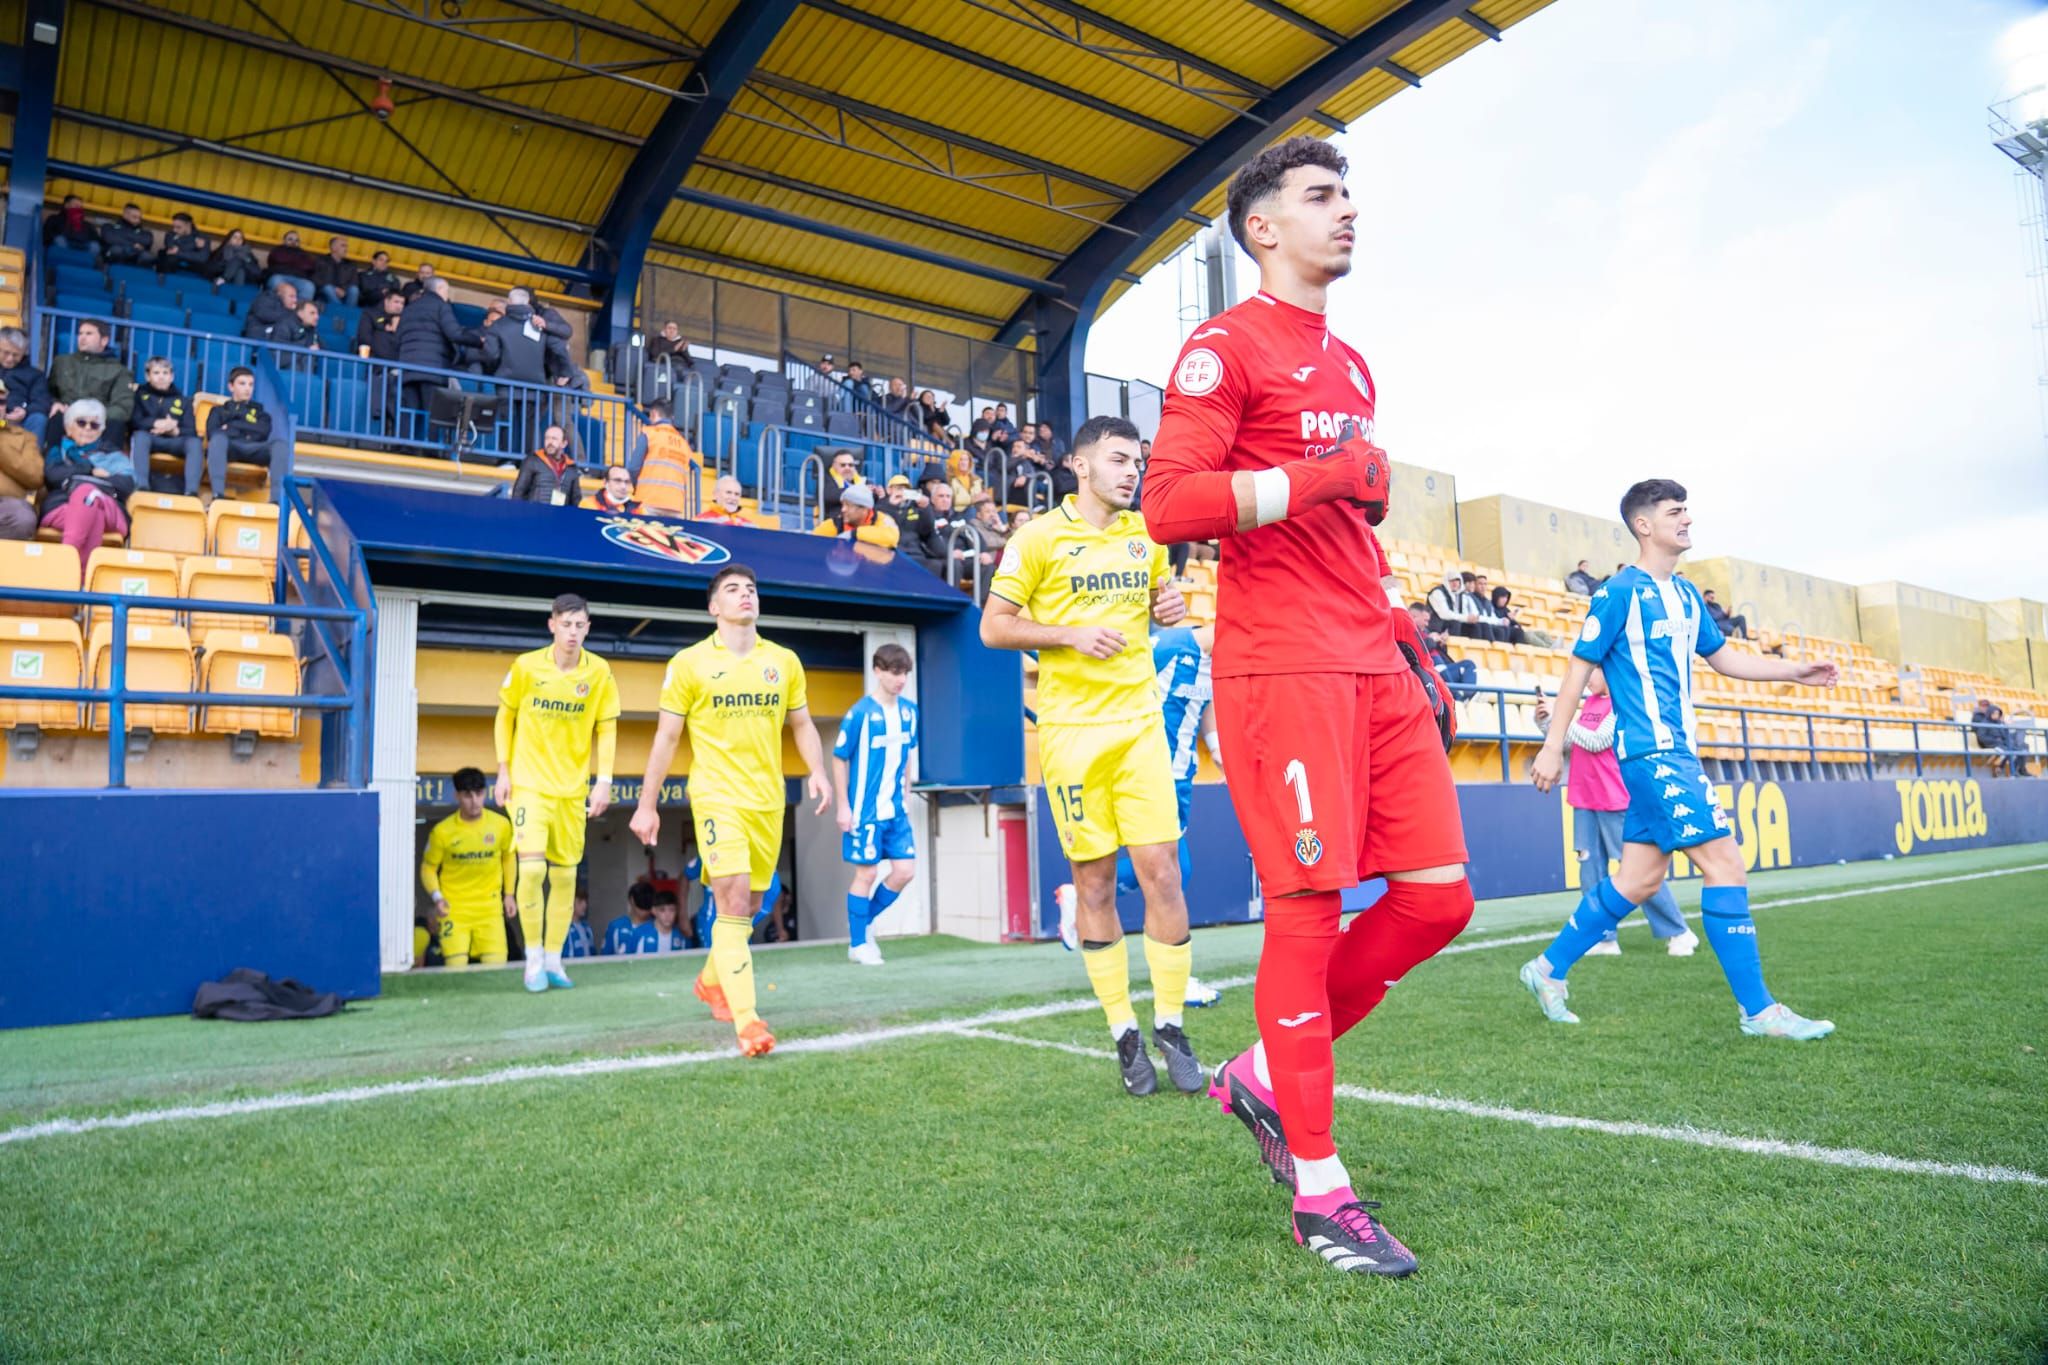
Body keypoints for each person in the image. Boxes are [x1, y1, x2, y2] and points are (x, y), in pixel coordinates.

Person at [1141, 137, 1474, 1276]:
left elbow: (1341, 522)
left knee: (1438, 902)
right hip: (1279, 666)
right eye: (1320, 198)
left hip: (1371, 658)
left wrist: (1398, 626)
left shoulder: (1352, 364)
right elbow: (1169, 505)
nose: (1347, 214)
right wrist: (1315, 479)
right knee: (1306, 911)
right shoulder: (1219, 348)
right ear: (1260, 227)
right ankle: (1320, 1192)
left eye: (1348, 197)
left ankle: (1261, 1072)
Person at [1525, 478, 1838, 1040]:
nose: (1687, 520)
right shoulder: (1619, 592)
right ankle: (1759, 1012)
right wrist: (1553, 747)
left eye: (1687, 511)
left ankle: (1547, 970)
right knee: (1726, 865)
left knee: (1639, 880)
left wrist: (1795, 671)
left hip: (1674, 751)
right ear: (1644, 525)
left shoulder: (1688, 594)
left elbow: (1723, 659)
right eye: (1675, 512)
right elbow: (1578, 669)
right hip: (1652, 753)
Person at [981, 415, 1205, 1098]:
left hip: (1139, 728)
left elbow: (1161, 604)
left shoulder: (1148, 535)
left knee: (1164, 873)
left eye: (1136, 460)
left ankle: (1170, 1023)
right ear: (1079, 466)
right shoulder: (1037, 538)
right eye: (1117, 459)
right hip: (1073, 736)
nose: (1131, 470)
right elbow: (994, 626)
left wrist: (1168, 602)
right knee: (1096, 886)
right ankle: (1124, 1032)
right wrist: (1070, 634)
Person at [629, 565, 832, 1058]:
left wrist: (819, 772)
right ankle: (748, 1022)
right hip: (717, 796)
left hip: (769, 799)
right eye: (733, 590)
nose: (746, 596)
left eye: (752, 589)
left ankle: (709, 981)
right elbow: (667, 737)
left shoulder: (783, 661)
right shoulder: (690, 663)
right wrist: (646, 803)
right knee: (732, 900)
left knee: (753, 903)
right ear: (713, 607)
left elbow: (802, 724)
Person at [494, 593, 621, 993]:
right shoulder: (526, 666)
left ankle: (554, 960)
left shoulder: (599, 672)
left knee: (566, 878)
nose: (572, 632)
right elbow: (505, 714)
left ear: (588, 628)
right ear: (552, 625)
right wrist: (503, 770)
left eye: (579, 625)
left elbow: (608, 726)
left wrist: (605, 780)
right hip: (530, 785)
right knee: (531, 870)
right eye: (565, 624)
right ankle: (532, 959)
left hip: (572, 790)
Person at [1101, 624, 1227, 1008]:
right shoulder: (1169, 646)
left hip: (1180, 774)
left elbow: (1205, 708)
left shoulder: (1214, 662)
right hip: (1153, 773)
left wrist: (1219, 753)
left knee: (1172, 873)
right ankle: (1174, 979)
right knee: (1174, 873)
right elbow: (1118, 688)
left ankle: (1083, 895)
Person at [1533, 670, 1695, 956]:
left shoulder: (1621, 704)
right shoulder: (1590, 704)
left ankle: (1678, 930)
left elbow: (1597, 741)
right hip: (1584, 797)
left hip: (1614, 799)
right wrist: (1548, 723)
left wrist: (1562, 719)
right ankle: (1603, 937)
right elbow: (1571, 743)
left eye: (1593, 672)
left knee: (1638, 871)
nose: (1588, 678)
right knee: (1590, 871)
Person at [832, 643, 920, 966]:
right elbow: (839, 759)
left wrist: (907, 792)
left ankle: (863, 922)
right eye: (895, 672)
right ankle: (858, 944)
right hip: (864, 812)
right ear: (878, 671)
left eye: (905, 673)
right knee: (866, 874)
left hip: (896, 811)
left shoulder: (910, 712)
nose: (901, 680)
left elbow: (907, 754)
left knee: (905, 871)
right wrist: (843, 806)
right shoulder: (860, 714)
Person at [419, 767, 518, 968]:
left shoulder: (501, 825)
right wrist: (437, 898)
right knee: (456, 969)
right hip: (454, 910)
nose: (474, 801)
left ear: (485, 793)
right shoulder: (442, 832)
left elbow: (509, 858)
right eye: (467, 795)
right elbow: (428, 868)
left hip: (490, 909)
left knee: (496, 969)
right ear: (457, 796)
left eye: (479, 794)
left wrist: (509, 894)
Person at [39, 401, 133, 576]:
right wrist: (91, 471)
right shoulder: (57, 451)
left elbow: (126, 484)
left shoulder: (113, 454)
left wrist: (80, 481)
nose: (88, 428)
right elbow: (53, 475)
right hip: (62, 507)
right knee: (91, 508)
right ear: (68, 428)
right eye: (81, 422)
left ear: (101, 430)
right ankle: (82, 584)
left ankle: (65, 564)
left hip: (111, 512)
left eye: (95, 424)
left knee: (87, 492)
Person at [198, 367, 283, 501]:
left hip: (254, 449)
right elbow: (213, 433)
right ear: (231, 386)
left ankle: (277, 501)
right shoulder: (218, 411)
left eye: (251, 384)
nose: (247, 388)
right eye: (242, 384)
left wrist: (230, 427)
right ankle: (218, 495)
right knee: (218, 440)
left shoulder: (262, 414)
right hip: (230, 448)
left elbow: (262, 432)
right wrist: (247, 429)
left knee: (280, 445)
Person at [48, 318, 135, 447]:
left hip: (99, 420)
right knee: (56, 416)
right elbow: (48, 391)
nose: (82, 338)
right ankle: (51, 461)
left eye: (89, 334)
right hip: (67, 415)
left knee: (117, 424)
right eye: (80, 333)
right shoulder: (62, 362)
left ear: (104, 340)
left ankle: (106, 465)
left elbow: (123, 407)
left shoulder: (119, 371)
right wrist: (55, 403)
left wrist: (95, 416)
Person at [397, 278, 475, 415]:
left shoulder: (408, 309)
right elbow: (455, 334)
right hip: (433, 371)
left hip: (408, 369)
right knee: (432, 416)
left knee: (408, 415)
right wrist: (479, 341)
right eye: (446, 290)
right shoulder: (441, 306)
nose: (447, 294)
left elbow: (397, 338)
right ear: (439, 289)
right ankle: (429, 438)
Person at [128, 357, 200, 494]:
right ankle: (141, 486)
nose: (161, 377)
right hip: (150, 437)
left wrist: (175, 430)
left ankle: (191, 492)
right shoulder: (139, 395)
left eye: (165, 373)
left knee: (195, 443)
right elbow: (134, 421)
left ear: (172, 376)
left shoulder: (183, 400)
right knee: (140, 437)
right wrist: (155, 423)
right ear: (147, 376)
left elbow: (191, 430)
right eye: (156, 373)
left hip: (175, 440)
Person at [625, 400, 699, 514]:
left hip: (648, 500)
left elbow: (633, 468)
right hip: (675, 505)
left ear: (654, 413)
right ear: (672, 417)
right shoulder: (683, 442)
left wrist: (636, 487)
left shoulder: (649, 433)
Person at [1405, 602, 1476, 699]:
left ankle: (1467, 696)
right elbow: (1417, 648)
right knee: (1439, 664)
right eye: (1425, 620)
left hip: (1441, 667)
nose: (1427, 624)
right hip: (1428, 670)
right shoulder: (1408, 630)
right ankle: (1457, 699)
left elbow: (1436, 651)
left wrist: (1440, 643)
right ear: (1414, 617)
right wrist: (1432, 640)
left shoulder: (1425, 632)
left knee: (1469, 664)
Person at [0, 383, 41, 539]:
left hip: (7, 505)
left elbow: (36, 477)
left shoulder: (24, 437)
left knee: (23, 518)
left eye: (1, 402)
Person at [0, 328, 51, 446]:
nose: (10, 359)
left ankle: (30, 462)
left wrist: (25, 412)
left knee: (39, 419)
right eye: (6, 353)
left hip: (19, 420)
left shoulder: (35, 375)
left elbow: (41, 401)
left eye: (16, 355)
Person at [810, 482, 899, 548]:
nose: (843, 509)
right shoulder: (835, 524)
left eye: (848, 506)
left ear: (864, 509)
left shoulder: (882, 519)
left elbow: (891, 537)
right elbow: (811, 542)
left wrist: (853, 534)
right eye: (843, 505)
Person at [509, 425, 582, 506]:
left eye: (554, 438)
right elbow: (518, 492)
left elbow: (576, 500)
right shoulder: (532, 461)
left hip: (560, 516)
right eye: (547, 438)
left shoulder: (571, 467)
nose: (549, 442)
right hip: (535, 514)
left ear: (564, 444)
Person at [602, 882, 658, 955]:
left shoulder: (658, 927)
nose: (644, 911)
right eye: (641, 904)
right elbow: (605, 957)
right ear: (632, 900)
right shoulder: (616, 926)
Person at [264, 230, 320, 302]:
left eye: (296, 240)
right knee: (276, 280)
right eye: (290, 239)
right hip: (281, 275)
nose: (293, 242)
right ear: (284, 241)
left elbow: (309, 266)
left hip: (300, 278)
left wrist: (289, 260)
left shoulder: (304, 253)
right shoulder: (277, 250)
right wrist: (297, 261)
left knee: (309, 286)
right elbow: (278, 259)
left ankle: (298, 310)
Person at [43, 194, 100, 259]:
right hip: (64, 245)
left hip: (83, 247)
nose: (78, 208)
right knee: (59, 240)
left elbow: (96, 239)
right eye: (76, 205)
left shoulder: (88, 225)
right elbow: (46, 235)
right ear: (66, 205)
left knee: (95, 246)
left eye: (80, 206)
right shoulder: (54, 219)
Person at [312, 237, 361, 307]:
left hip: (344, 294)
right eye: (343, 246)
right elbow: (315, 278)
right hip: (325, 294)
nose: (346, 249)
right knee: (328, 288)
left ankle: (347, 311)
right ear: (333, 247)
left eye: (346, 246)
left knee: (354, 290)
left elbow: (354, 282)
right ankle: (342, 311)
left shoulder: (351, 264)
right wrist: (334, 288)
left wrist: (343, 290)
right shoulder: (321, 260)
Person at [563, 891, 595, 959]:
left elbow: (593, 953)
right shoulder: (563, 928)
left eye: (585, 902)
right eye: (580, 902)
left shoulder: (586, 927)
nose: (584, 905)